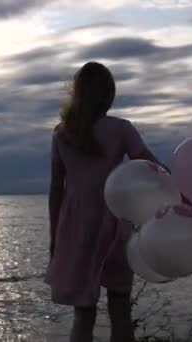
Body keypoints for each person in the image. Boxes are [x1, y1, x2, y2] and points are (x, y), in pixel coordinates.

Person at [45, 61, 165, 342]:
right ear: (108, 94)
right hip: (115, 225)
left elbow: (56, 188)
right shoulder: (122, 129)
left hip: (77, 228)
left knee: (83, 315)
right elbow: (152, 167)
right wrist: (180, 188)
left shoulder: (62, 133)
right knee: (120, 309)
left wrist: (54, 237)